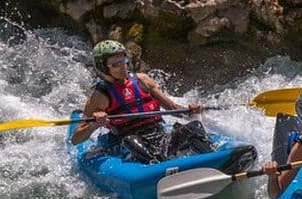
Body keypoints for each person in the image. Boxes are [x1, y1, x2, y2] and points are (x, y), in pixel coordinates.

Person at [71, 40, 210, 163]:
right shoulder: (99, 96)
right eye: (116, 64)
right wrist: (94, 125)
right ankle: (157, 167)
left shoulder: (142, 80)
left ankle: (212, 158)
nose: (124, 66)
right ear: (103, 67)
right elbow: (76, 139)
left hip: (160, 137)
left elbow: (172, 107)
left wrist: (190, 110)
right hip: (130, 145)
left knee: (195, 126)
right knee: (130, 140)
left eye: (124, 61)